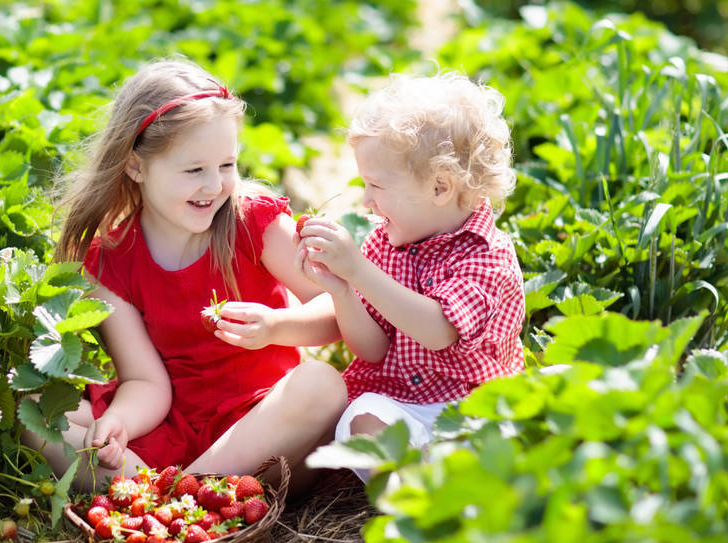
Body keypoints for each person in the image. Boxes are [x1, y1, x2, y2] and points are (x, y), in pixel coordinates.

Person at [27, 58, 346, 491]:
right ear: (136, 166)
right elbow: (145, 382)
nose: (214, 185)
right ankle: (182, 493)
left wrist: (276, 327)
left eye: (227, 165)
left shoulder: (252, 221)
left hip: (261, 425)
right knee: (40, 416)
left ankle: (171, 497)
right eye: (194, 170)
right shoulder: (111, 260)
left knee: (322, 385)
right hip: (174, 429)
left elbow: (335, 305)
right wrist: (119, 421)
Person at [297, 71, 525, 474]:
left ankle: (447, 479)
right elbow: (373, 350)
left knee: (508, 432)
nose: (366, 201)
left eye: (376, 185)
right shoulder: (384, 243)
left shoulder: (486, 255)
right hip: (400, 406)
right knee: (361, 420)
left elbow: (438, 330)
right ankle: (414, 489)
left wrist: (360, 272)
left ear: (440, 188)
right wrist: (344, 292)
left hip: (473, 409)